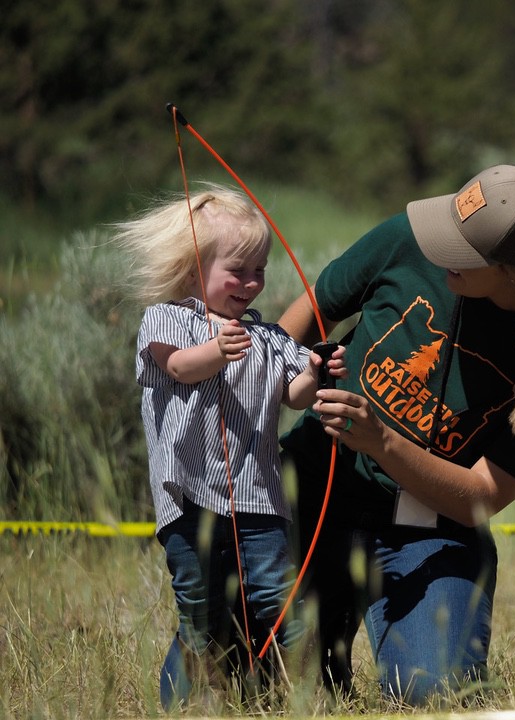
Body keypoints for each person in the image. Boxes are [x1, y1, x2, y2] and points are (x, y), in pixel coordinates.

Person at [278, 163, 515, 705]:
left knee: (437, 696)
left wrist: (382, 442)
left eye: (463, 248)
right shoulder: (410, 238)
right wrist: (268, 392)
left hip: (429, 533)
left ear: (513, 272)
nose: (439, 248)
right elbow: (310, 316)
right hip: (310, 497)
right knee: (262, 687)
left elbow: (481, 497)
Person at [113, 183, 322, 710]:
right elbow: (180, 366)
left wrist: (316, 371)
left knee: (280, 606)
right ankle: (180, 707)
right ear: (191, 270)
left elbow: (294, 395)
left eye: (260, 270)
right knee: (202, 616)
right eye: (238, 269)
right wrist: (216, 349)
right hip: (188, 500)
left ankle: (308, 700)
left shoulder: (269, 337)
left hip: (259, 500)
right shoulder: (166, 319)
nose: (251, 282)